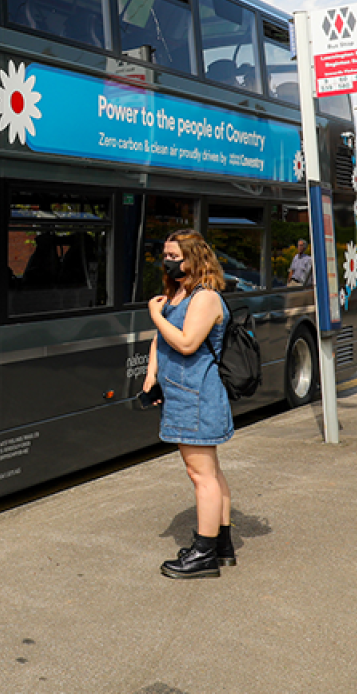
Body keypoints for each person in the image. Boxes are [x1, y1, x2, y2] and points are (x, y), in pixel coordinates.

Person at [141, 229, 235, 579]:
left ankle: (204, 553)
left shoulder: (205, 297)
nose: (166, 262)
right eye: (164, 255)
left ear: (195, 258)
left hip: (196, 396)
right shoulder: (180, 292)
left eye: (174, 257)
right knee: (209, 471)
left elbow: (185, 343)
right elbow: (160, 342)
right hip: (182, 393)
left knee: (201, 475)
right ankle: (222, 545)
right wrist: (152, 375)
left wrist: (156, 316)